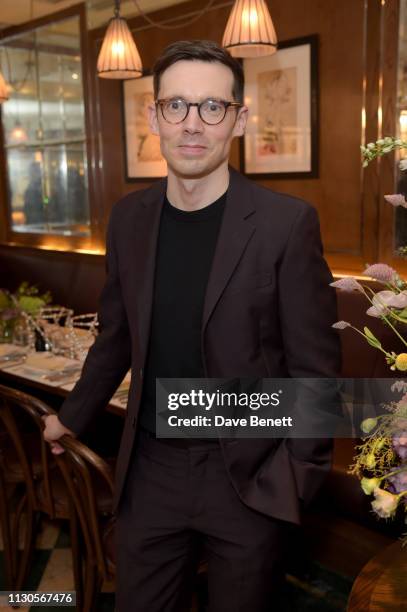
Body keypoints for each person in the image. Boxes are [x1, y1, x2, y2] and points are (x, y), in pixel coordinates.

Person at [43, 40, 341, 612]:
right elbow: (116, 337)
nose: (192, 124)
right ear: (154, 115)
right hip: (149, 467)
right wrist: (71, 418)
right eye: (176, 105)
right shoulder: (129, 218)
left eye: (213, 107)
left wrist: (296, 480)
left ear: (239, 119)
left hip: (247, 476)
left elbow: (315, 370)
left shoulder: (286, 224)